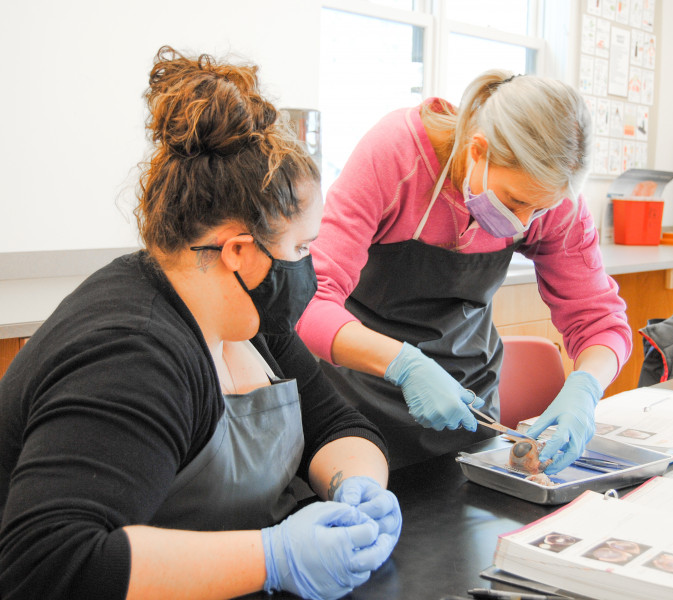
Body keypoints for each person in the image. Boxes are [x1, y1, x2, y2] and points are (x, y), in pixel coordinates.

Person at [0, 46, 401, 600]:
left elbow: (337, 427)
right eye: (303, 246)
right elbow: (48, 564)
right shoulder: (133, 354)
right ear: (240, 252)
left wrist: (356, 484)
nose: (310, 265)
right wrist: (273, 559)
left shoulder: (252, 318)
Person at [296, 70, 632, 471]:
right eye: (515, 200)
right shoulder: (396, 154)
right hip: (356, 399)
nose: (525, 221)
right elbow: (308, 300)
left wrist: (586, 387)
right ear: (478, 151)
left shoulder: (554, 198)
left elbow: (600, 322)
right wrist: (404, 364)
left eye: (540, 209)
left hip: (467, 404)